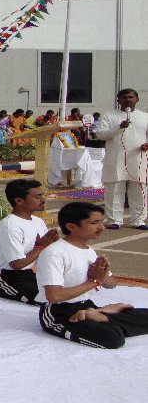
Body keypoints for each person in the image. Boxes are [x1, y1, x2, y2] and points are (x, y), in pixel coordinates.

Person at [36, 202, 148, 349]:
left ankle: (100, 314)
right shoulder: (55, 253)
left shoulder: (89, 250)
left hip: (87, 307)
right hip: (60, 314)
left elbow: (112, 283)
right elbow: (54, 296)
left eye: (101, 222)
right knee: (113, 338)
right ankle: (104, 316)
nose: (101, 227)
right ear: (71, 227)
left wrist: (103, 272)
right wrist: (94, 281)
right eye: (95, 223)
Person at [0, 179, 59, 304]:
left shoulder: (38, 222)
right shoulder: (10, 226)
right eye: (37, 197)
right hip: (6, 277)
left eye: (42, 195)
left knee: (64, 291)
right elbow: (17, 264)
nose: (43, 200)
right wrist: (40, 248)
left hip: (28, 274)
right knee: (47, 298)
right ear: (19, 201)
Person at [95, 89, 148, 229]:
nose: (128, 100)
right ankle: (114, 220)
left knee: (139, 191)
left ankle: (139, 220)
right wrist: (119, 127)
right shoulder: (109, 116)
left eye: (131, 97)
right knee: (114, 191)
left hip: (138, 159)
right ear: (118, 100)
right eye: (124, 98)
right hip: (115, 159)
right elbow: (101, 135)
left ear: (137, 100)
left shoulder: (145, 117)